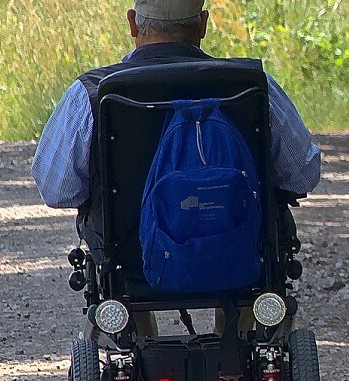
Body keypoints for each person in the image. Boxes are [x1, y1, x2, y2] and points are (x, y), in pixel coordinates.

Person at [32, 0, 321, 336]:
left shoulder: (93, 92)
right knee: (256, 284)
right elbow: (302, 173)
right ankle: (241, 357)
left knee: (116, 283)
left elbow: (58, 190)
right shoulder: (252, 85)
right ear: (202, 24)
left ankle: (135, 362)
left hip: (131, 259)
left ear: (133, 25)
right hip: (242, 252)